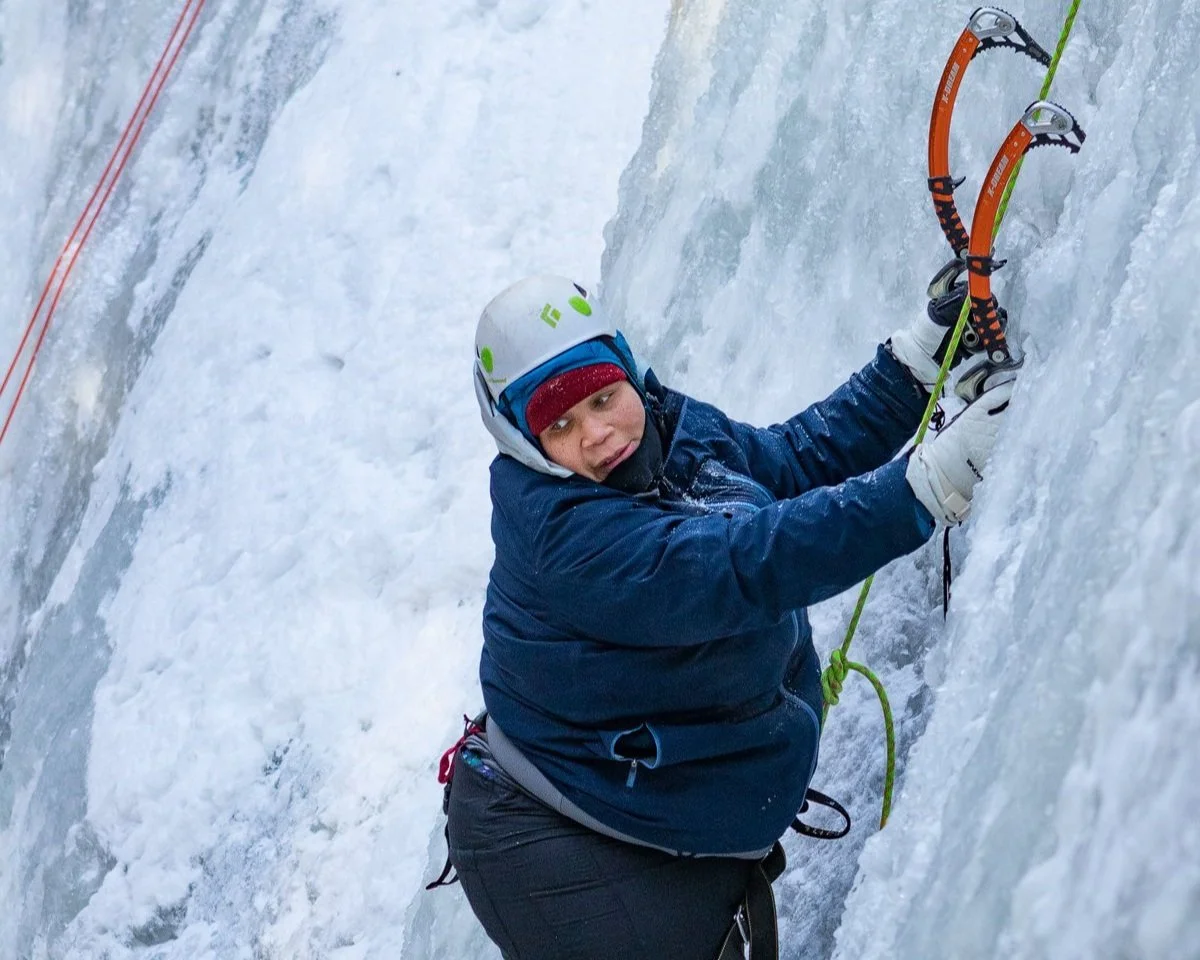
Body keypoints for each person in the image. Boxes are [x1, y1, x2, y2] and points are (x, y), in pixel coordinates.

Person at [442, 274, 1013, 960]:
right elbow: (744, 564)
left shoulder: (663, 429)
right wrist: (926, 485)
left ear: (630, 373)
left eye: (604, 397)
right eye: (559, 425)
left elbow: (789, 461)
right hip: (558, 845)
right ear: (524, 444)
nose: (598, 434)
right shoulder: (563, 542)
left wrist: (911, 368)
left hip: (627, 796)